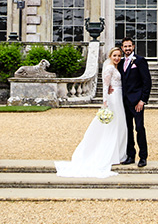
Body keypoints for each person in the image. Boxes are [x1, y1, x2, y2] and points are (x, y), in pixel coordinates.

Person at [55, 47, 128, 178]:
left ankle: (119, 153)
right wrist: (105, 102)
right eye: (115, 55)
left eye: (119, 56)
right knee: (112, 126)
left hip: (118, 96)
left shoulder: (115, 67)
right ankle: (110, 154)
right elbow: (105, 86)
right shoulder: (109, 68)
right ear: (110, 56)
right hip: (113, 99)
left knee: (120, 125)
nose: (117, 58)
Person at [117, 36, 151, 167]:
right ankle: (130, 155)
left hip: (137, 102)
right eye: (125, 46)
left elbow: (147, 82)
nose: (127, 48)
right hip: (123, 101)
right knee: (127, 129)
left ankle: (143, 157)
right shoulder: (119, 62)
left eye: (129, 46)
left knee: (139, 128)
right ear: (122, 48)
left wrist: (143, 100)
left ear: (133, 47)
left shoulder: (140, 61)